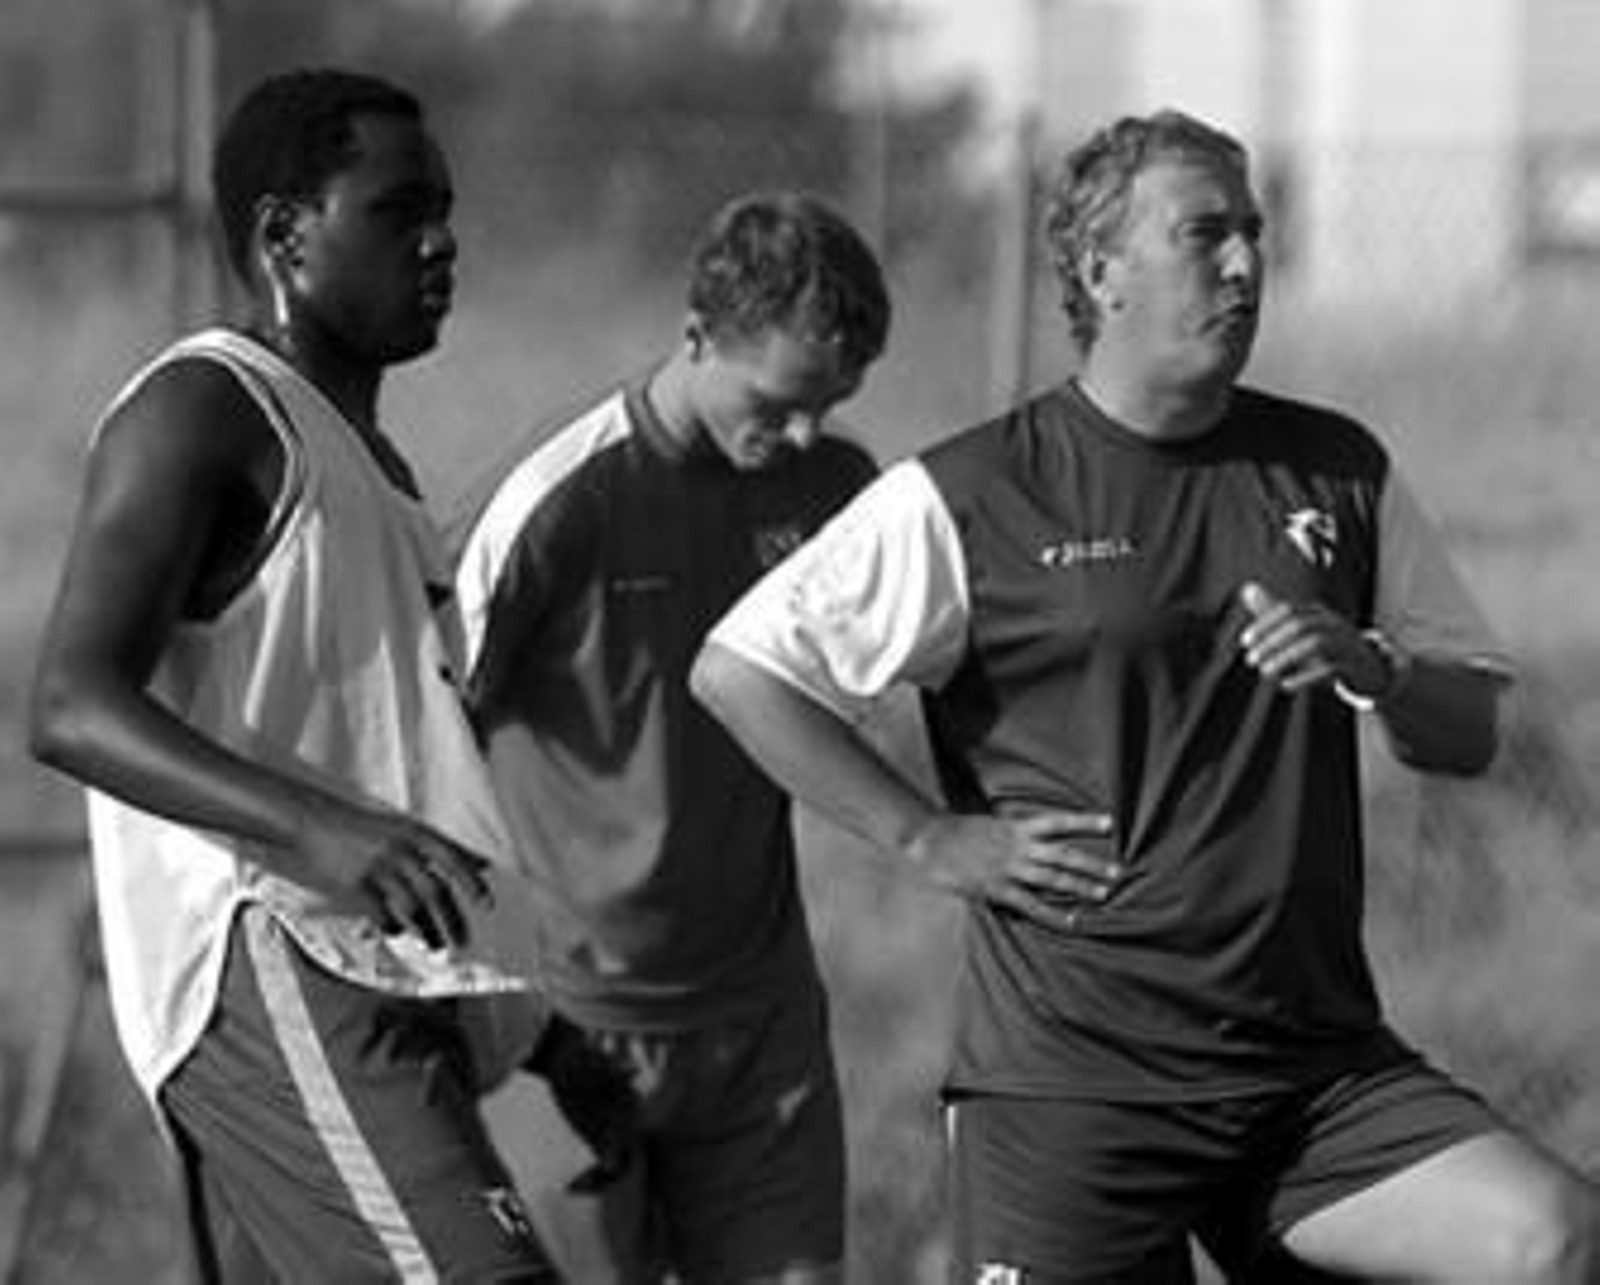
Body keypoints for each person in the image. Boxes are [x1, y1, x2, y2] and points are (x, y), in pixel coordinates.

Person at [690, 110, 1600, 1283]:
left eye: (1254, 232)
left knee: (1555, 1238)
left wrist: (1371, 667)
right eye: (1204, 233)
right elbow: (742, 670)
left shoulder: (1334, 468)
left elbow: (1466, 731)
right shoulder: (972, 490)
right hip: (1073, 1097)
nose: (1243, 262)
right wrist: (927, 835)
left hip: (1311, 1078)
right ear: (1098, 271)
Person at [28, 68, 570, 1284]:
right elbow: (69, 702)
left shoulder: (372, 465)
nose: (441, 239)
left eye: (445, 207)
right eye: (397, 210)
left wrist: (550, 1041)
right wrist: (319, 831)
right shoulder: (208, 407)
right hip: (276, 954)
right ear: (284, 233)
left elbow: (390, 768)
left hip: (376, 973)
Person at [453, 191, 890, 1283]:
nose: (798, 436)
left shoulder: (839, 487)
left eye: (827, 408)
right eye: (779, 402)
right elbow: (420, 737)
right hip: (570, 1024)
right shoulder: (561, 500)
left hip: (761, 1020)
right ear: (697, 335)